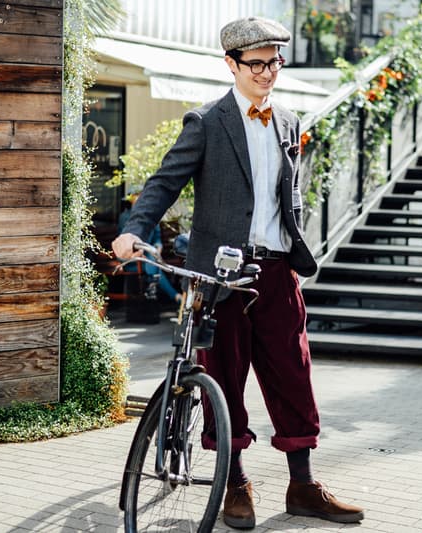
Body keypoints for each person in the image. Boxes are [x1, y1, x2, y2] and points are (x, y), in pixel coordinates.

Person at [112, 16, 364, 529]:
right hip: (220, 274)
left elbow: (283, 199)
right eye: (257, 64)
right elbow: (163, 183)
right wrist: (133, 229)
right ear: (231, 64)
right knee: (224, 378)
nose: (268, 72)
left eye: (275, 62)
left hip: (276, 271)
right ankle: (235, 483)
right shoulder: (206, 122)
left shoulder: (290, 121)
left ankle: (303, 485)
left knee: (293, 374)